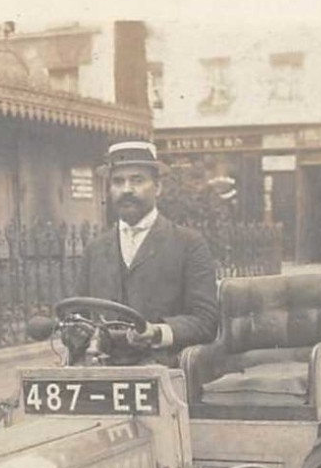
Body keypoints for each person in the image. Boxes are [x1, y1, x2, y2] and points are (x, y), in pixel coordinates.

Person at [77, 140, 218, 360]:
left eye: (137, 180)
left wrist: (157, 332)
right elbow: (80, 316)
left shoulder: (189, 244)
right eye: (118, 181)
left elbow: (206, 321)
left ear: (158, 187)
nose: (126, 190)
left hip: (164, 370)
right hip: (103, 370)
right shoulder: (94, 250)